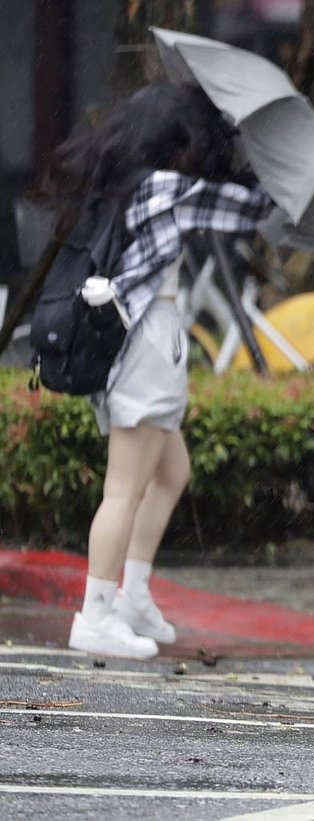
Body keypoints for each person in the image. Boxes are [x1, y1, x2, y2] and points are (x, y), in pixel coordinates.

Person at [36, 83, 277, 659]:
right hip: (144, 345)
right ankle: (94, 615)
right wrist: (269, 162)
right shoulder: (164, 188)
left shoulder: (119, 182)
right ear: (179, 142)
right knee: (124, 489)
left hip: (133, 341)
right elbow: (256, 209)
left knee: (171, 474)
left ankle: (133, 597)